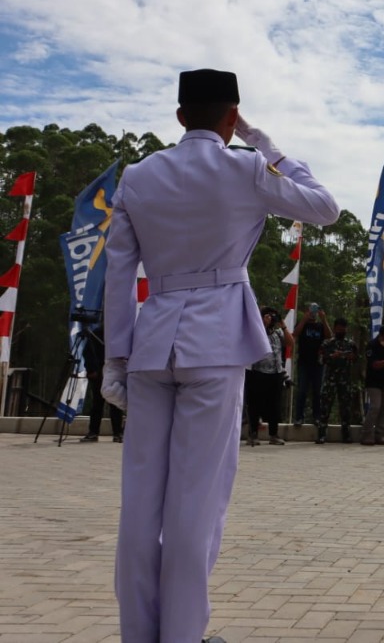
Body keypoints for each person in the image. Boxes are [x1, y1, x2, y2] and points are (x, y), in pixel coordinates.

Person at [101, 68, 339, 643]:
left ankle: (140, 631)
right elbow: (324, 208)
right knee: (196, 501)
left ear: (180, 116)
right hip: (214, 343)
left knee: (140, 502)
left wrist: (116, 357)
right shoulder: (246, 167)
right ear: (232, 117)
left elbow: (117, 271)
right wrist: (265, 145)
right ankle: (183, 633)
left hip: (153, 341)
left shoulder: (139, 174)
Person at [245, 307, 291, 446]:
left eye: (273, 316)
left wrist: (283, 325)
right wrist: (262, 324)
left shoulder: (277, 333)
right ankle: (253, 434)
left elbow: (290, 343)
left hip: (275, 374)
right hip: (257, 372)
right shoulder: (257, 330)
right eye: (267, 316)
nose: (270, 319)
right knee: (254, 405)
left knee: (274, 406)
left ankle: (274, 434)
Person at [318, 317, 362, 444]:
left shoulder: (351, 344)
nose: (341, 330)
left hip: (345, 380)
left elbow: (356, 359)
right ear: (335, 328)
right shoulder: (327, 343)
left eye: (343, 328)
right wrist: (333, 356)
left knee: (345, 408)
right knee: (325, 407)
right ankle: (321, 434)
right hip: (330, 379)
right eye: (339, 328)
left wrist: (350, 356)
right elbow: (321, 359)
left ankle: (346, 434)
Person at [80, 321, 124, 443]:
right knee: (97, 404)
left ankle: (117, 433)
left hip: (113, 372)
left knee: (115, 404)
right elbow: (87, 353)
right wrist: (91, 369)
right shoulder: (97, 333)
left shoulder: (118, 334)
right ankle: (93, 432)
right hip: (99, 373)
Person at [292, 302, 330, 427]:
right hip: (304, 363)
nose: (313, 312)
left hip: (318, 364)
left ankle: (317, 417)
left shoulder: (320, 325)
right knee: (302, 391)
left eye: (315, 309)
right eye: (311, 309)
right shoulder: (303, 324)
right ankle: (299, 418)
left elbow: (329, 336)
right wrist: (304, 319)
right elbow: (295, 334)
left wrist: (324, 319)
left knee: (317, 392)